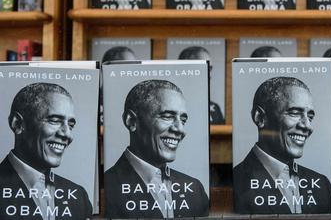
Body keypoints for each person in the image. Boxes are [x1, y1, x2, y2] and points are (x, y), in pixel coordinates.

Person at [104, 80, 209, 218]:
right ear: (131, 121)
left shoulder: (195, 189)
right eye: (167, 116)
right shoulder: (106, 188)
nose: (180, 130)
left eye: (183, 120)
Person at [233, 77, 331, 214]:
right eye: (294, 113)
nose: (308, 126)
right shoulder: (235, 183)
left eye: (310, 117)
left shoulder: (322, 185)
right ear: (260, 118)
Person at [0, 83, 93, 219]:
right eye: (54, 121)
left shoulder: (79, 196)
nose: (67, 135)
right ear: (18, 124)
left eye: (71, 125)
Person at [178, 46, 225, 124]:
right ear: (185, 70)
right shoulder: (171, 107)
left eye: (209, 69)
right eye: (202, 68)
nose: (209, 74)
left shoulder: (215, 109)